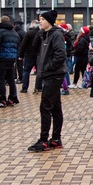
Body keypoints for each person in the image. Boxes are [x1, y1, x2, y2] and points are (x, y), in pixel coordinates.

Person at [28, 10, 67, 152]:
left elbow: (60, 54)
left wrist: (48, 68)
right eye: (39, 19)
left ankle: (44, 139)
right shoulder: (44, 34)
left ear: (49, 21)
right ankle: (56, 138)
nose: (40, 22)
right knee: (55, 107)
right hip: (49, 74)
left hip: (53, 74)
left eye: (43, 19)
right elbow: (33, 47)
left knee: (45, 106)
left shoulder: (55, 34)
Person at [0, 15, 20, 107]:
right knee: (11, 80)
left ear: (1, 21)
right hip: (12, 59)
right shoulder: (14, 32)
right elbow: (17, 47)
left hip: (2, 59)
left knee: (1, 80)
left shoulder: (0, 32)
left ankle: (2, 99)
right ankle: (12, 98)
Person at [18, 20, 41, 93]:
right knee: (39, 72)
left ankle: (24, 88)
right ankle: (38, 87)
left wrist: (20, 55)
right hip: (39, 55)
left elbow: (23, 45)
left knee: (26, 71)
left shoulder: (28, 33)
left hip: (29, 55)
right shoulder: (41, 33)